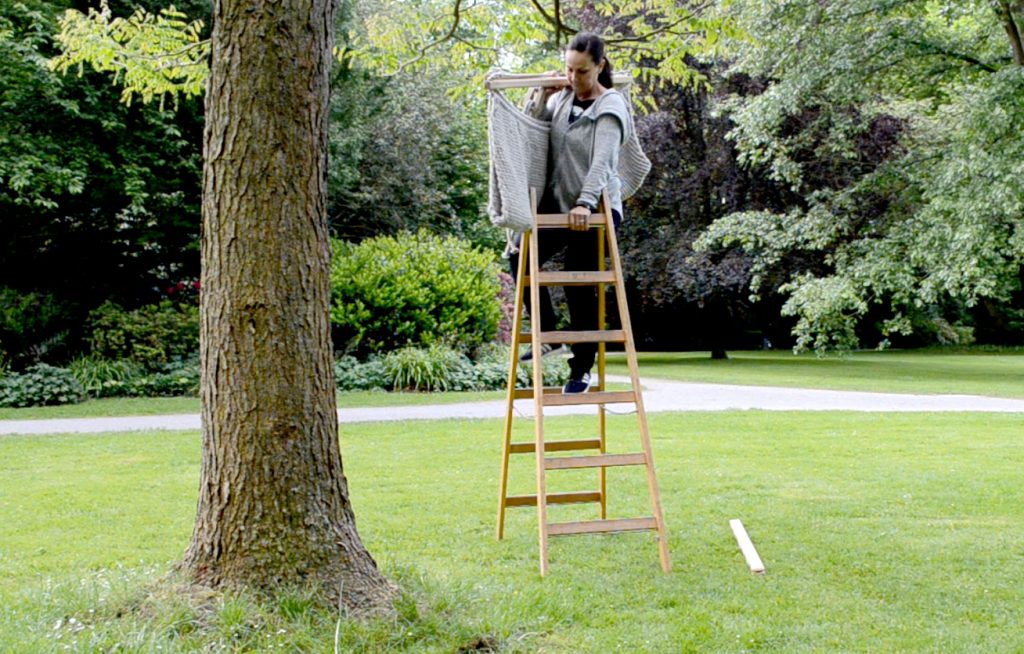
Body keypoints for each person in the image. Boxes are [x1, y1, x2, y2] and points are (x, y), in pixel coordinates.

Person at [511, 32, 636, 394]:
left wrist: (585, 201)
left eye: (581, 71)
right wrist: (544, 97)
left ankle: (580, 370)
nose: (574, 78)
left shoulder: (610, 107)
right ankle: (548, 335)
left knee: (578, 284)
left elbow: (602, 161)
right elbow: (533, 131)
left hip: (594, 207)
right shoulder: (563, 100)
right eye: (568, 70)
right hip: (557, 201)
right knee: (519, 256)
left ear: (599, 67)